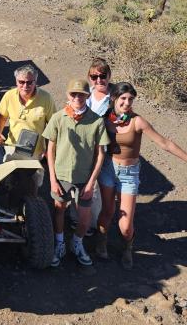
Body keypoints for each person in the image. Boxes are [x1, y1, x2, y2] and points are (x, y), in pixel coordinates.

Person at [96, 82, 187, 269]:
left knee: (126, 225)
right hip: (108, 169)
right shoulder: (105, 120)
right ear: (114, 98)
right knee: (107, 212)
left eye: (130, 99)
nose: (127, 103)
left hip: (129, 173)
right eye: (123, 98)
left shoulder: (137, 121)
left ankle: (127, 247)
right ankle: (101, 242)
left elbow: (164, 143)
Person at [43, 79, 110, 267]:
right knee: (59, 211)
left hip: (85, 178)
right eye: (73, 94)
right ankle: (60, 243)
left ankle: (78, 243)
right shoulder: (58, 118)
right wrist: (52, 179)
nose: (77, 98)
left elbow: (100, 154)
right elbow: (50, 150)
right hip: (61, 175)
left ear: (87, 96)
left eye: (81, 94)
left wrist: (91, 182)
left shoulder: (96, 121)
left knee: (85, 217)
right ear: (67, 96)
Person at [69, 58, 113, 233]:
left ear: (109, 75)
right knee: (77, 183)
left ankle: (90, 224)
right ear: (89, 77)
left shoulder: (115, 97)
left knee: (94, 188)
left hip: (104, 147)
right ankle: (75, 218)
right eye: (94, 77)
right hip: (83, 147)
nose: (99, 80)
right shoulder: (85, 94)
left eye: (102, 76)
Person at [0, 64, 56, 159]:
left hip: (35, 153)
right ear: (16, 82)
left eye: (29, 82)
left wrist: (49, 150)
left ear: (35, 82)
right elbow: (2, 116)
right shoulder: (9, 95)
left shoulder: (46, 98)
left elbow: (52, 126)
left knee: (35, 174)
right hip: (12, 148)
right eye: (21, 82)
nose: (25, 86)